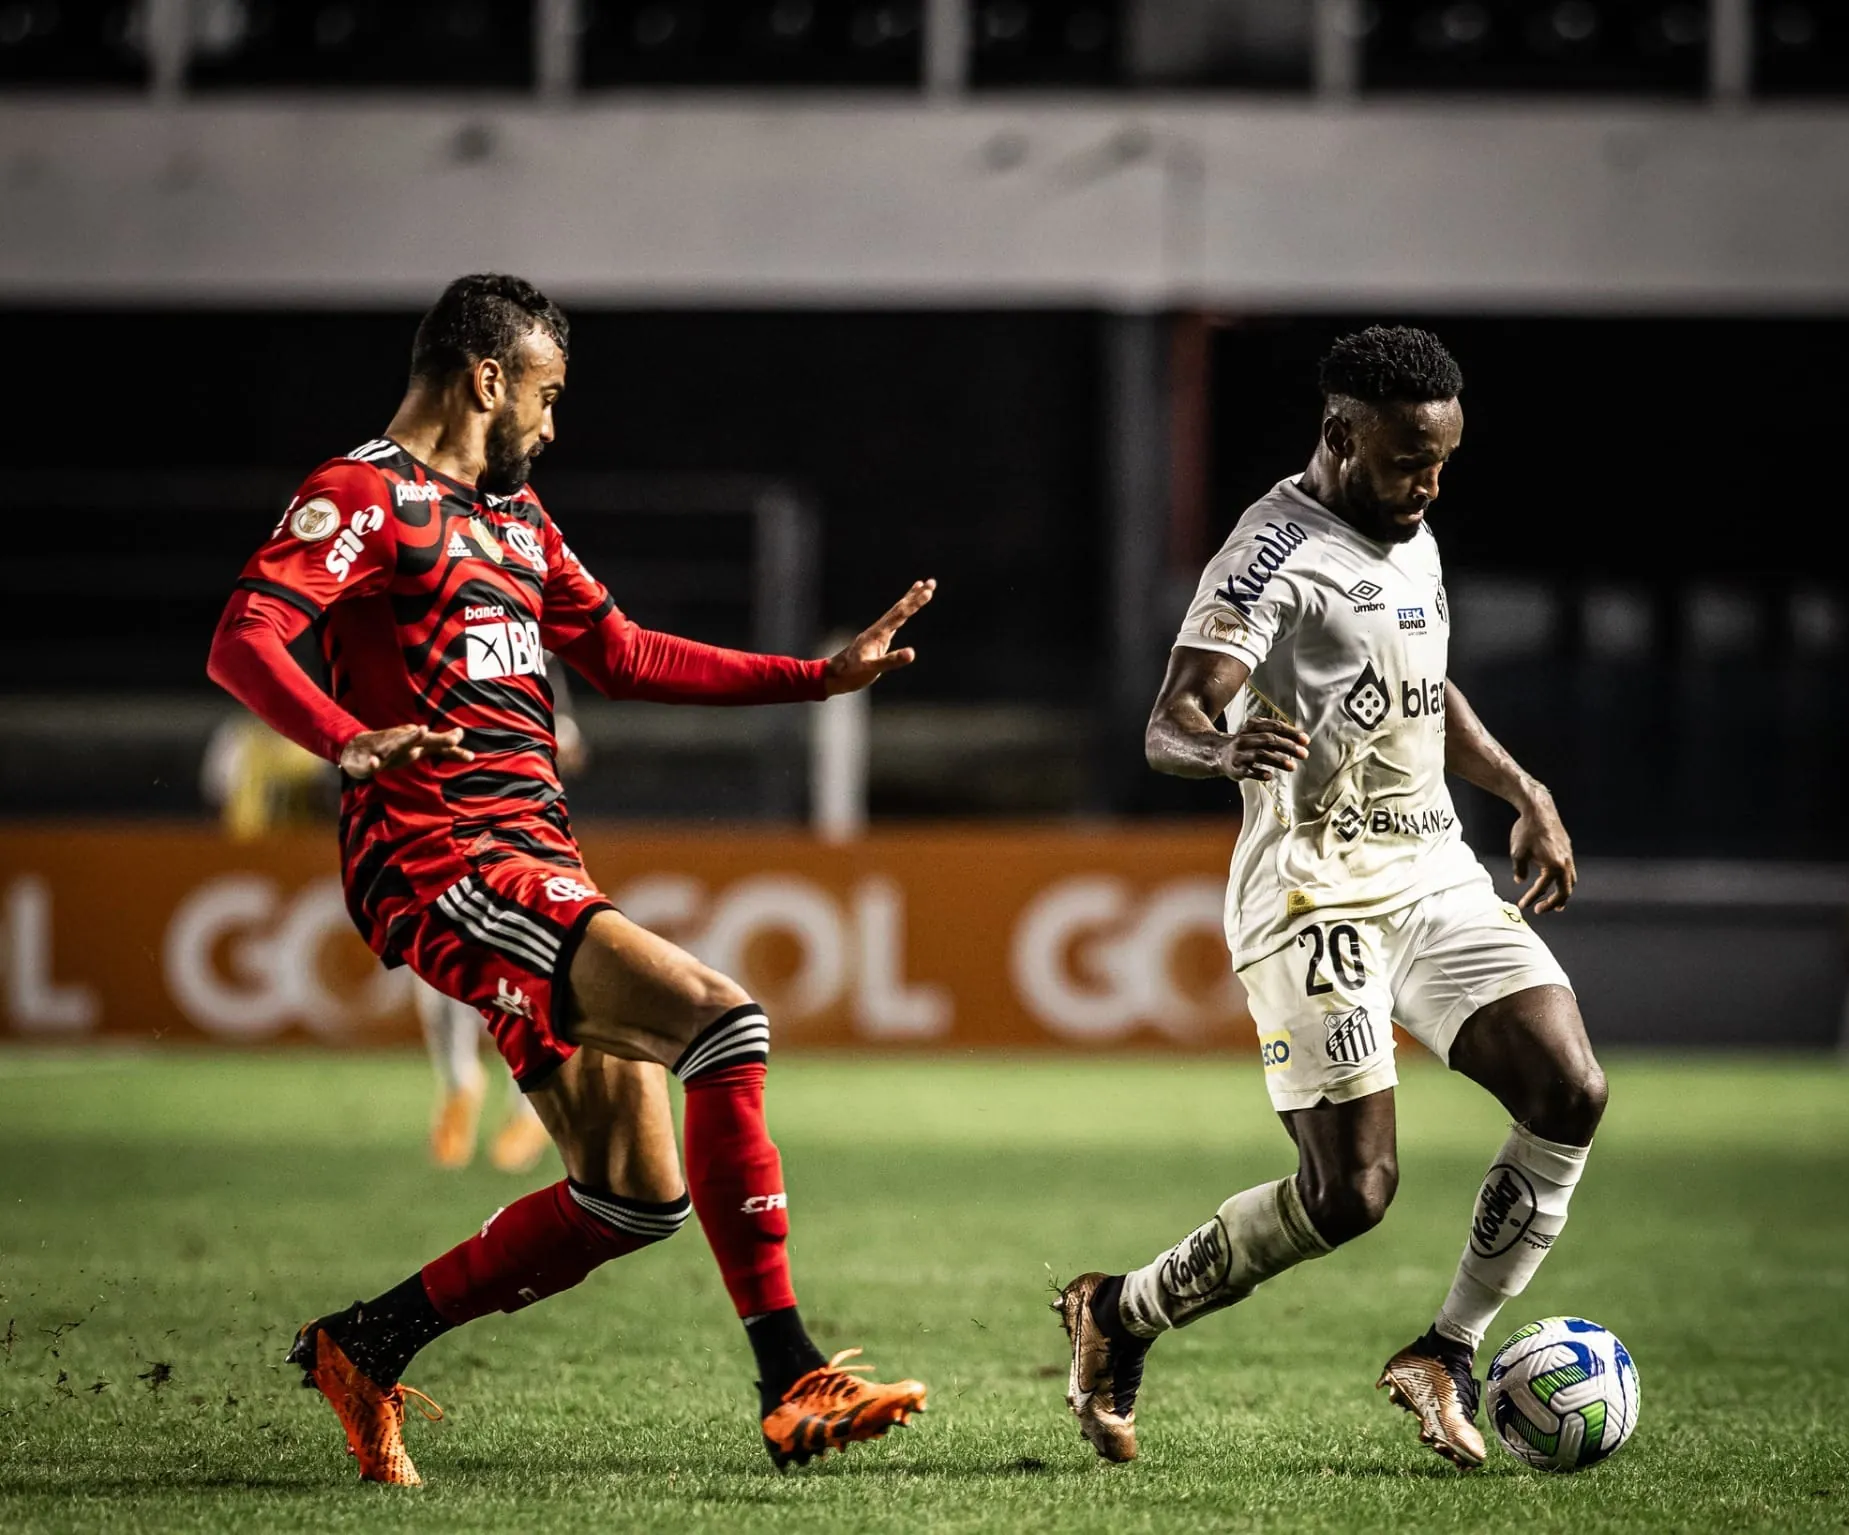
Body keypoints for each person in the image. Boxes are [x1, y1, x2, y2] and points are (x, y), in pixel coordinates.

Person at [208, 273, 934, 1485]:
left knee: (635, 1192)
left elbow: (624, 650)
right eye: (547, 394)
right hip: (442, 859)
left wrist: (813, 677)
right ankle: (790, 1378)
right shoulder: (364, 495)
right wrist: (347, 736)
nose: (554, 423)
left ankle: (364, 1341)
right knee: (724, 1020)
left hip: (533, 858)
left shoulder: (517, 519)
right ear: (486, 379)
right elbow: (245, 635)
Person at [1052, 325, 1605, 1470]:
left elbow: (1422, 676)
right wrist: (1223, 749)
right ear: (1340, 435)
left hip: (1434, 871)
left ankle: (1446, 1350)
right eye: (1410, 459)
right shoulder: (1268, 554)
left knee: (1569, 1088)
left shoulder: (1413, 528)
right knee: (1352, 1191)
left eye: (1443, 459)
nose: (1430, 482)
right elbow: (1171, 719)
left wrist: (1522, 786)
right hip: (1313, 894)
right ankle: (1120, 1311)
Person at [419, 665, 582, 1173]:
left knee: (529, 976)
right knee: (437, 961)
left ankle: (528, 1108)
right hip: (455, 835)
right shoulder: (435, 653)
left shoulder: (530, 656)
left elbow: (573, 745)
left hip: (525, 839)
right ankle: (459, 1082)